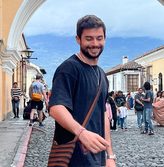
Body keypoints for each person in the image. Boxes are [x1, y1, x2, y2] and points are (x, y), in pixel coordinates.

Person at [48, 15, 116, 166]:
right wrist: (82, 133)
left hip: (97, 158)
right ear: (78, 39)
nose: (95, 43)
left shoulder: (102, 75)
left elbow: (103, 115)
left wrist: (110, 155)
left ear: (105, 38)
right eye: (89, 38)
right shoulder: (69, 69)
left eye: (99, 38)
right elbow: (56, 108)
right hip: (73, 158)